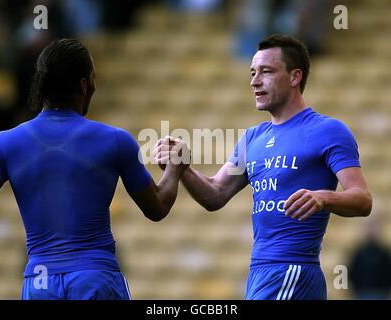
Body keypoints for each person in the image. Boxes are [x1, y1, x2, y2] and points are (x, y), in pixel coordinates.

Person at [155, 34, 373, 300]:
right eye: (252, 73)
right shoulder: (251, 138)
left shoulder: (327, 130)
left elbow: (363, 200)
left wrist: (323, 197)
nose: (254, 81)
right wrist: (182, 168)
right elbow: (215, 194)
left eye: (266, 72)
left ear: (295, 77)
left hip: (292, 270)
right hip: (258, 271)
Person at [0, 39, 187, 300]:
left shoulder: (4, 143)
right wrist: (174, 168)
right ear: (84, 85)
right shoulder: (115, 140)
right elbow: (157, 208)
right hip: (95, 278)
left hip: (40, 282)